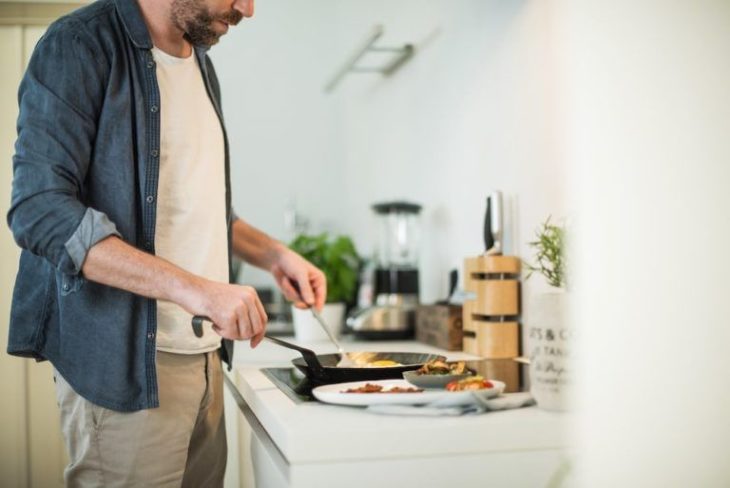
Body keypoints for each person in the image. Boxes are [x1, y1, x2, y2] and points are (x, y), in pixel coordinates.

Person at [6, 0, 326, 486]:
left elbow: (189, 204)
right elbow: (41, 210)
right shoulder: (78, 45)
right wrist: (197, 291)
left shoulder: (201, 63)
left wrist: (273, 255)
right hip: (124, 366)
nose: (248, 8)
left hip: (204, 358)